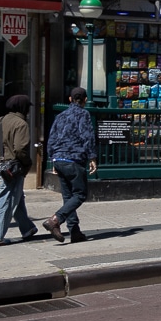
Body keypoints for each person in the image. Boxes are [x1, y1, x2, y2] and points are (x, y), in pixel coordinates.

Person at [0, 95, 36, 246]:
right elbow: (20, 149)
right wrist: (28, 163)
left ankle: (27, 228)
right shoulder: (21, 124)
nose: (28, 110)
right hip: (12, 171)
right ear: (23, 108)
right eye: (27, 107)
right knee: (5, 201)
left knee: (16, 198)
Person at [43, 87, 97, 243]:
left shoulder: (60, 116)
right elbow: (87, 136)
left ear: (69, 99)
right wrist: (92, 157)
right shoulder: (83, 114)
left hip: (59, 159)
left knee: (68, 197)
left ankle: (75, 232)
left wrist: (53, 158)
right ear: (85, 100)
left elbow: (52, 138)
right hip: (74, 159)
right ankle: (55, 220)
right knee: (80, 194)